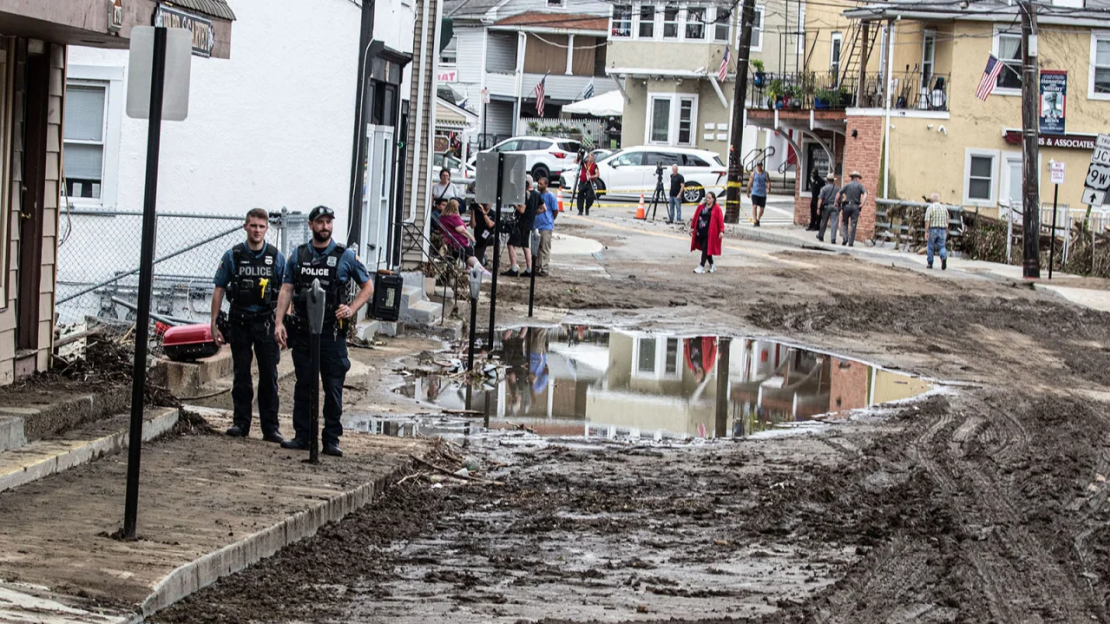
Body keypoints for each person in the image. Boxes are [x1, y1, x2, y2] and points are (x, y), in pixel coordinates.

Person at [274, 205, 373, 458]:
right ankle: (303, 436)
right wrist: (279, 322)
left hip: (331, 333)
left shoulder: (344, 256)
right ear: (311, 225)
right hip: (304, 331)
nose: (325, 226)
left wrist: (351, 309)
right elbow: (286, 289)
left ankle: (331, 440)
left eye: (329, 222)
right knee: (304, 385)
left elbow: (368, 287)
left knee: (333, 387)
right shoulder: (298, 255)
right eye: (320, 222)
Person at [210, 208, 285, 443]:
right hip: (239, 321)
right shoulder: (233, 255)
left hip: (266, 322)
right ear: (245, 227)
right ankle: (240, 423)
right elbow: (219, 289)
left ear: (267, 229)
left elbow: (286, 291)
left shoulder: (276, 256)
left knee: (269, 376)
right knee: (241, 375)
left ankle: (270, 428)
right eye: (253, 225)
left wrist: (282, 324)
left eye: (261, 226)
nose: (257, 230)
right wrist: (213, 324)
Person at [440, 199, 492, 276]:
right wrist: (471, 237)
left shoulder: (443, 218)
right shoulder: (454, 217)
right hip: (459, 243)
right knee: (470, 256)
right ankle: (482, 270)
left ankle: (470, 268)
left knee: (464, 258)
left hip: (449, 242)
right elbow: (460, 229)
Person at [504, 175, 540, 277]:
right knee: (525, 246)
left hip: (521, 224)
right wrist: (533, 213)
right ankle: (529, 269)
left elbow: (522, 210)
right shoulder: (537, 195)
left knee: (510, 244)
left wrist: (515, 204)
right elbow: (543, 208)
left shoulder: (525, 195)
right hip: (529, 224)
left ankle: (514, 268)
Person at [690, 191, 725, 274]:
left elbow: (720, 220)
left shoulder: (716, 209)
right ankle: (712, 265)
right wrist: (692, 227)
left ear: (713, 199)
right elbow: (696, 217)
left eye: (709, 198)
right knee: (706, 249)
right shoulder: (701, 207)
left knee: (705, 248)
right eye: (707, 197)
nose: (707, 199)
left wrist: (721, 231)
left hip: (710, 232)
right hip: (700, 231)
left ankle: (701, 266)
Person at [836, 171, 868, 247]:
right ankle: (850, 242)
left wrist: (835, 202)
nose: (858, 180)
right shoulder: (860, 186)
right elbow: (866, 194)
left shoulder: (847, 185)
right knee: (853, 224)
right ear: (856, 178)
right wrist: (862, 204)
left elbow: (838, 193)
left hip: (846, 206)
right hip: (856, 207)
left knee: (844, 222)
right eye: (858, 178)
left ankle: (845, 238)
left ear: (852, 177)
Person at [533, 176, 557, 277]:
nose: (539, 185)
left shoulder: (550, 196)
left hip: (546, 226)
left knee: (545, 248)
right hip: (536, 225)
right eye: (538, 183)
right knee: (536, 248)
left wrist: (550, 220)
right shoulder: (537, 195)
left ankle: (544, 268)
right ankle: (536, 266)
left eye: (541, 184)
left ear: (546, 185)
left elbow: (555, 211)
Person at [924, 192, 949, 270]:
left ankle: (930, 263)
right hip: (942, 229)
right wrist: (946, 230)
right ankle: (943, 256)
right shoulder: (944, 208)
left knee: (930, 246)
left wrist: (926, 231)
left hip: (933, 229)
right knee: (942, 246)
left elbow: (927, 221)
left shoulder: (930, 208)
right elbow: (947, 221)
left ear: (931, 200)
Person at [816, 172, 841, 244]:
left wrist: (818, 208)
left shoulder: (824, 188)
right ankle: (833, 238)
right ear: (833, 180)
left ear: (827, 180)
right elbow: (840, 198)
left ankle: (821, 235)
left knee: (824, 222)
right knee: (834, 223)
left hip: (826, 207)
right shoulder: (837, 189)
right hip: (835, 206)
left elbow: (820, 199)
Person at [470, 201, 495, 267]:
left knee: (496, 239)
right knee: (478, 263)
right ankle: (484, 258)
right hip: (479, 239)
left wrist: (484, 213)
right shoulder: (477, 212)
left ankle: (496, 263)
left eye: (488, 202)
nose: (487, 204)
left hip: (489, 237)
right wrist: (473, 211)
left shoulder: (493, 213)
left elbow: (490, 225)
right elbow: (472, 225)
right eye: (485, 203)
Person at [747, 162, 769, 227]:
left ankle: (758, 218)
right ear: (756, 166)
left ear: (762, 166)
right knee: (754, 206)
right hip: (755, 193)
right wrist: (748, 192)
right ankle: (755, 220)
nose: (759, 167)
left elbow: (768, 182)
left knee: (762, 209)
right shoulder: (753, 174)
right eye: (757, 166)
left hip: (762, 193)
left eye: (760, 166)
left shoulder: (765, 174)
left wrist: (768, 188)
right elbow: (750, 183)